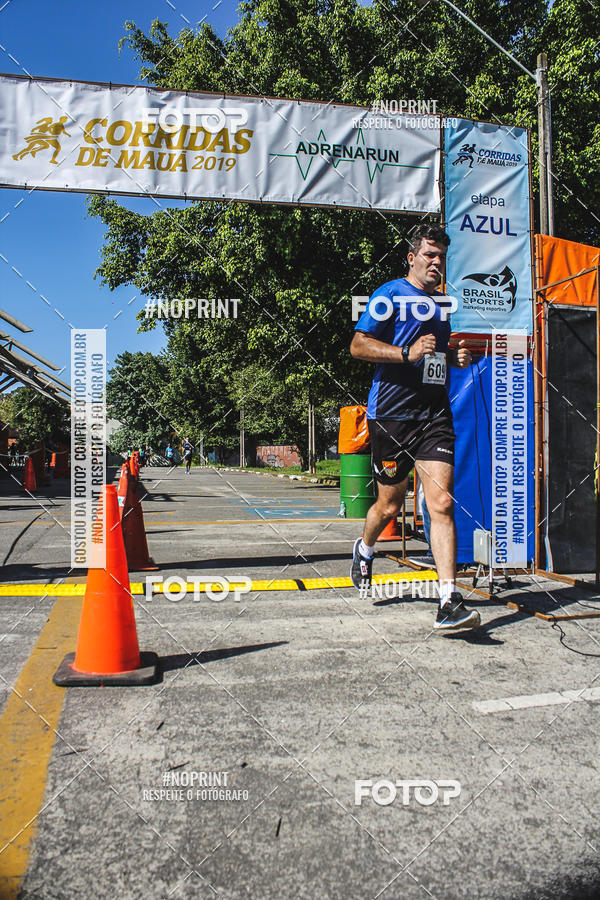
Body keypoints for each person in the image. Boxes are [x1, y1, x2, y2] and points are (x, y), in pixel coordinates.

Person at [349, 222, 480, 631]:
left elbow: (436, 356)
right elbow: (358, 346)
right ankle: (365, 548)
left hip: (434, 416)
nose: (437, 262)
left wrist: (457, 357)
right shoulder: (389, 294)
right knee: (388, 504)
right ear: (412, 258)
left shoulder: (442, 304)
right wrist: (406, 353)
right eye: (430, 254)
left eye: (442, 256)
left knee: (440, 503)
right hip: (391, 416)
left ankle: (448, 600)